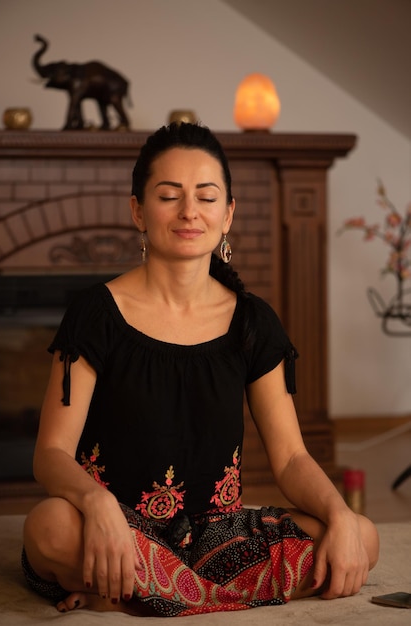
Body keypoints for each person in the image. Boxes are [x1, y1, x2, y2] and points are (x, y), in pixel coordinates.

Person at [22, 122, 379, 617]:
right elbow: (51, 453)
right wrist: (98, 504)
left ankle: (135, 593)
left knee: (360, 536)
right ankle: (179, 590)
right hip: (116, 530)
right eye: (169, 195)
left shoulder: (254, 321)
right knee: (50, 528)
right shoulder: (96, 313)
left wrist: (338, 514)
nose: (190, 211)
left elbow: (292, 458)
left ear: (227, 214)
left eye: (206, 197)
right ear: (138, 210)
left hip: (218, 540)